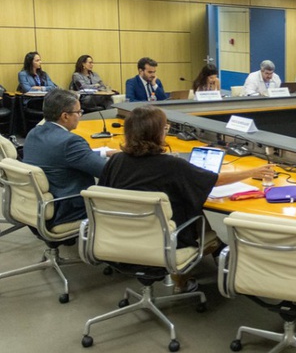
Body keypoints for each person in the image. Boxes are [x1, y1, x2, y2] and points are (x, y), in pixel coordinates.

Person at [98, 105, 274, 291]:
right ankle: (190, 278)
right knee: (193, 213)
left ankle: (191, 276)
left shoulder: (116, 161)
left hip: (120, 238)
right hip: (165, 243)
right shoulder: (172, 165)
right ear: (158, 132)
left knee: (186, 208)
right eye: (165, 128)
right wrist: (252, 172)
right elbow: (215, 180)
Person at [22, 89, 116, 227]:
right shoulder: (70, 142)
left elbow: (61, 156)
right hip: (68, 208)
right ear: (65, 116)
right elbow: (107, 172)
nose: (80, 116)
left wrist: (103, 153)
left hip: (38, 205)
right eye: (78, 112)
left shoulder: (34, 132)